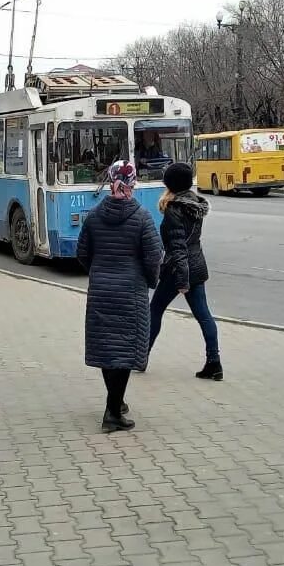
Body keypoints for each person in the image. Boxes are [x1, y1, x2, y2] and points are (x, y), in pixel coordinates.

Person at [77, 161, 163, 433]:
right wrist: (149, 281)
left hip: (101, 290)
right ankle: (112, 412)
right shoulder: (142, 217)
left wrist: (98, 271)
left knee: (107, 348)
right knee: (124, 351)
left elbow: (82, 253)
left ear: (110, 180)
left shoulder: (93, 215)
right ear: (134, 183)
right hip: (130, 292)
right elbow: (153, 257)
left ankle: (116, 401)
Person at [145, 163, 222, 380]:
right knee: (204, 315)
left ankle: (141, 356)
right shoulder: (195, 205)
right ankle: (214, 363)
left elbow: (178, 248)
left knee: (155, 309)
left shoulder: (174, 210)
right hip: (197, 266)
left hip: (178, 270)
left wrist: (181, 280)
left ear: (170, 184)